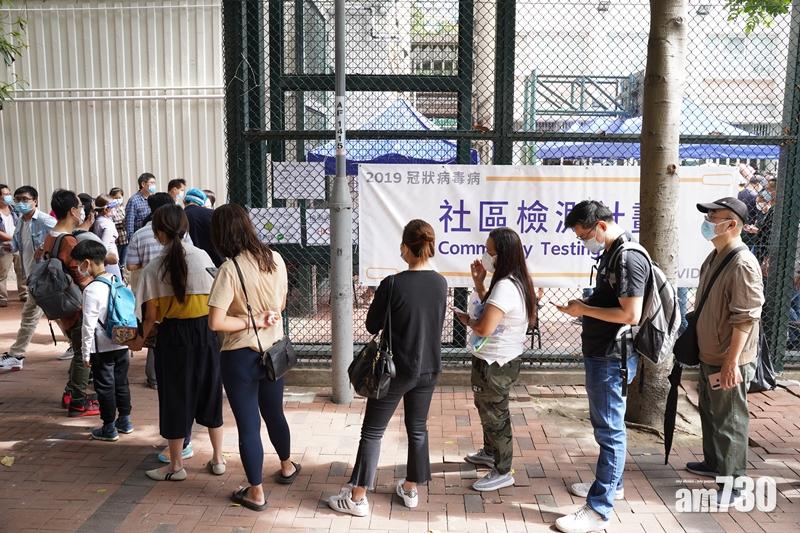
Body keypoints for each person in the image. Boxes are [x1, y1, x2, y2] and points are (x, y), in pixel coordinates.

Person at [327, 219, 448, 516]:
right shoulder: (441, 283)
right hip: (429, 367)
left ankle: (357, 497)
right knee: (417, 429)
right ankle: (410, 488)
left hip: (394, 370)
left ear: (405, 247)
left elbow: (372, 325)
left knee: (372, 431)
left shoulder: (393, 284)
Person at [554, 200, 648, 533]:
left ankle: (599, 508)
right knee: (606, 428)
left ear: (602, 226)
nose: (584, 242)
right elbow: (611, 301)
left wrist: (584, 310)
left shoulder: (627, 257)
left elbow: (630, 314)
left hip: (612, 356)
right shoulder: (611, 253)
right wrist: (585, 304)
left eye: (584, 236)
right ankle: (611, 485)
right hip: (602, 353)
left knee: (610, 432)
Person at [208, 204, 303, 512]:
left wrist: (250, 320)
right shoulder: (275, 258)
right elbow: (281, 304)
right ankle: (287, 466)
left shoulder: (229, 270)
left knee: (249, 425)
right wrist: (265, 316)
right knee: (275, 413)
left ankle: (256, 492)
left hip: (240, 357)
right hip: (274, 354)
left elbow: (216, 322)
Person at [129, 205, 224, 481]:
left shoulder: (153, 268)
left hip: (173, 337)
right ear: (185, 228)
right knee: (210, 392)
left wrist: (138, 341)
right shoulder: (202, 256)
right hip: (206, 333)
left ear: (159, 233)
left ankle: (176, 466)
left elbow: (150, 317)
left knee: (174, 397)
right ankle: (218, 460)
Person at [687, 197, 764, 507]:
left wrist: (731, 361)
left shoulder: (742, 263)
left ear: (732, 224)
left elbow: (746, 318)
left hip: (728, 358)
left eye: (713, 216)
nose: (707, 221)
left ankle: (734, 483)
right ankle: (714, 463)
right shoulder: (716, 256)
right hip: (711, 353)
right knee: (710, 411)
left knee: (730, 420)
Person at [456, 227, 536, 493]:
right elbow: (493, 311)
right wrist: (480, 284)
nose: (485, 256)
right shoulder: (516, 281)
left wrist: (467, 320)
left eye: (489, 252)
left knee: (495, 415)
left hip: (495, 363)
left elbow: (485, 327)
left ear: (502, 255)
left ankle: (503, 470)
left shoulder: (505, 286)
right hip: (500, 359)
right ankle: (491, 453)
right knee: (489, 409)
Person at [127, 192, 193, 393]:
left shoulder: (140, 234)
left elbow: (130, 265)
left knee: (154, 329)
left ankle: (154, 378)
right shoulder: (188, 241)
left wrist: (149, 265)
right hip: (181, 296)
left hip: (151, 292)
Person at [42, 190, 99, 416]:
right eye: (80, 207)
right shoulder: (68, 240)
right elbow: (79, 272)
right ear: (72, 211)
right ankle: (78, 401)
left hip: (61, 302)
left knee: (77, 347)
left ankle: (70, 392)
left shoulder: (51, 236)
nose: (82, 210)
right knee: (83, 352)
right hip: (75, 303)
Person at [72, 240, 133, 441]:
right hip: (122, 341)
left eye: (79, 263)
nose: (79, 268)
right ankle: (125, 420)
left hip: (101, 347)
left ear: (87, 262)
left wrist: (85, 353)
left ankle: (109, 427)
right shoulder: (117, 281)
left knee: (105, 387)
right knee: (122, 383)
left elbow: (88, 324)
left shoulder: (91, 289)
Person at [0, 186, 56, 371]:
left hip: (44, 276)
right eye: (17, 200)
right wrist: (10, 246)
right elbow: (17, 244)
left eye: (25, 199)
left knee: (29, 316)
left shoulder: (45, 220)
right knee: (59, 313)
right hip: (32, 275)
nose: (20, 203)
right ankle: (76, 345)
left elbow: (63, 238)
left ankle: (16, 355)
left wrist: (45, 248)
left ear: (35, 201)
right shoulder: (21, 222)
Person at [0, 184, 26, 307]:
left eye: (9, 194)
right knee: (2, 273)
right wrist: (13, 238)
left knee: (21, 270)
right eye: (5, 194)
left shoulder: (15, 209)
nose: (8, 196)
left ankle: (24, 294)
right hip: (3, 246)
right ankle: (2, 298)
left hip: (18, 245)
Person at [184, 188, 223, 266]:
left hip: (190, 262)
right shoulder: (213, 214)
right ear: (202, 203)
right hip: (215, 262)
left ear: (184, 201)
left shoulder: (180, 216)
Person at [92, 194, 123, 280]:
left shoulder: (98, 220)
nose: (115, 209)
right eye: (113, 207)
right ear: (106, 209)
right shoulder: (107, 224)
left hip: (104, 260)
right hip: (109, 262)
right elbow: (104, 246)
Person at [125, 172, 157, 238]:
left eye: (154, 183)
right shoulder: (134, 200)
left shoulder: (154, 199)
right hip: (139, 237)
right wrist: (131, 239)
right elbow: (129, 223)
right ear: (143, 184)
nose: (154, 185)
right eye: (152, 183)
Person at [109, 187, 129, 266]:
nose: (117, 200)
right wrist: (122, 222)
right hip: (117, 239)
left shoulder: (123, 208)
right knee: (117, 259)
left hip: (125, 237)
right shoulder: (110, 210)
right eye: (115, 198)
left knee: (124, 260)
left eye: (119, 198)